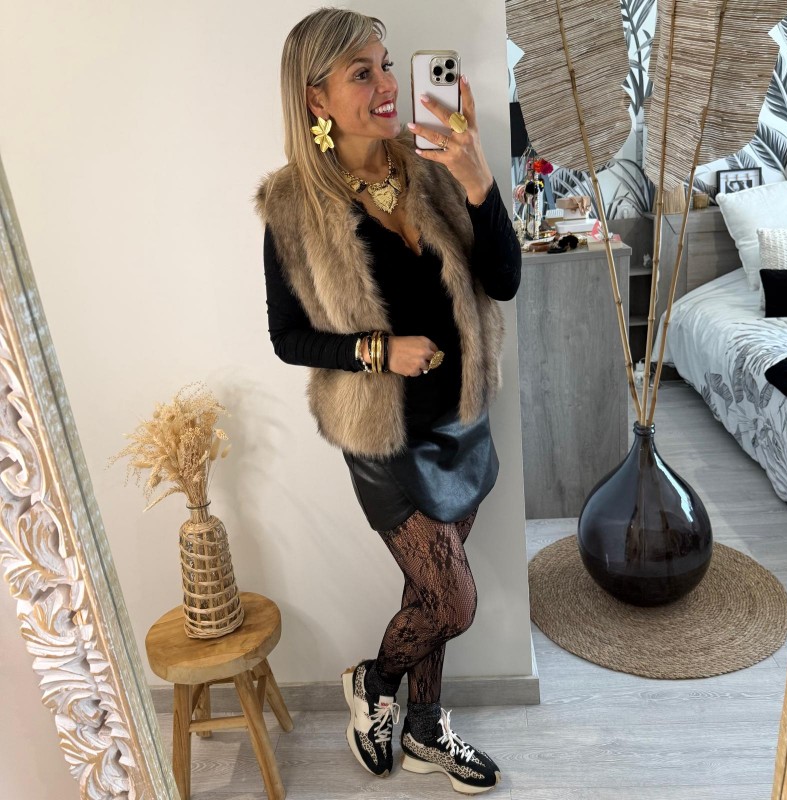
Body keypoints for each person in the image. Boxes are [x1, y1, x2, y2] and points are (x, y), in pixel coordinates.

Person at [255, 7, 520, 795]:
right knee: (454, 600)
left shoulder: (432, 165)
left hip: (461, 415)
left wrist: (478, 181)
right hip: (384, 439)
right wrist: (378, 351)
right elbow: (288, 338)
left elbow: (503, 280)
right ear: (316, 98)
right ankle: (373, 684)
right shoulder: (292, 208)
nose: (386, 84)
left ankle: (425, 729)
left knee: (428, 594)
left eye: (386, 64)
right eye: (361, 73)